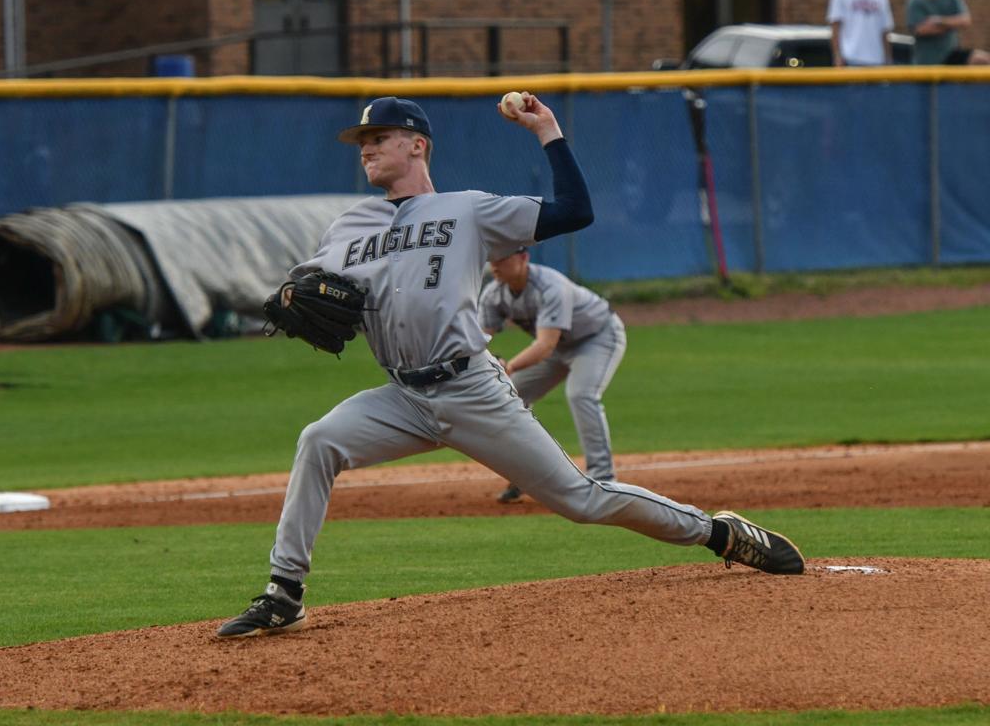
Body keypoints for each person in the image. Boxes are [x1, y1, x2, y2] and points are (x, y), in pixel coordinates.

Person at [215, 94, 805, 639]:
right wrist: (288, 298)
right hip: (403, 398)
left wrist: (548, 131)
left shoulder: (468, 210)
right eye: (361, 141)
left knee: (583, 499)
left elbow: (575, 211)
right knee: (319, 440)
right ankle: (284, 592)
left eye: (378, 137)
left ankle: (719, 533)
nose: (365, 148)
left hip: (471, 389)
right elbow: (307, 289)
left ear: (417, 145)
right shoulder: (348, 227)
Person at [479, 249, 625, 503]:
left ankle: (604, 479)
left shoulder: (550, 286)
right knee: (509, 396)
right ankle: (525, 476)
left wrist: (508, 366)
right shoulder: (493, 294)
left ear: (523, 258)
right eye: (492, 259)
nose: (495, 265)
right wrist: (492, 362)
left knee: (581, 394)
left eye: (502, 258)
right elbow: (478, 341)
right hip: (558, 347)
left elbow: (545, 346)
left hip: (597, 337)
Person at [906, 0, 990, 66]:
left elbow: (966, 21)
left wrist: (939, 21)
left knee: (983, 59)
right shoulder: (915, 1)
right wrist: (953, 24)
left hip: (951, 53)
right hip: (927, 60)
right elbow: (921, 30)